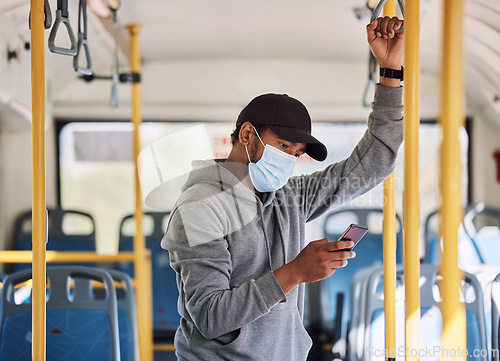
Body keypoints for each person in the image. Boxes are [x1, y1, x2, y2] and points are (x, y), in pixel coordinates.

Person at [162, 16, 404, 361]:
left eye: (297, 153)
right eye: (283, 146)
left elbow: (373, 164)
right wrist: (294, 273)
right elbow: (210, 316)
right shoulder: (201, 206)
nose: (290, 159)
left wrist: (390, 74)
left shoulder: (288, 197)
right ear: (247, 135)